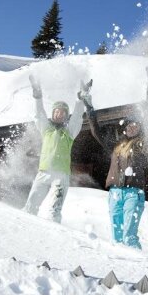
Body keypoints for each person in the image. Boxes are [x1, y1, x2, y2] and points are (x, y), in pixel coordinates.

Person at [22, 74, 89, 223]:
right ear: (53, 114)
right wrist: (38, 96)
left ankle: (56, 237)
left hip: (60, 175)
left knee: (55, 209)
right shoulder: (47, 130)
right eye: (56, 112)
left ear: (66, 116)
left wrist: (80, 99)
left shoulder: (69, 132)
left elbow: (77, 116)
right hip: (43, 172)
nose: (59, 114)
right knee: (30, 206)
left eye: (62, 113)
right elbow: (39, 114)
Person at [84, 97, 148, 249]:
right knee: (117, 236)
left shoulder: (142, 146)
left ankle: (139, 266)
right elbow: (96, 132)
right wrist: (89, 109)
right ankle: (122, 265)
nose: (132, 128)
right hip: (115, 193)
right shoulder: (116, 145)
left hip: (133, 193)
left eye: (136, 126)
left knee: (129, 235)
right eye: (129, 126)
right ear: (125, 128)